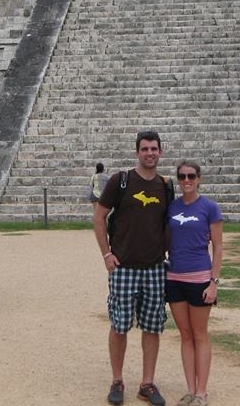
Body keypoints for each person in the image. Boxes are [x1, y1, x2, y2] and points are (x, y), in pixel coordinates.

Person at [93, 131, 172, 406]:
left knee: (152, 327)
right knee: (119, 325)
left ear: (161, 152)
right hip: (124, 266)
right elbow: (99, 217)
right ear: (137, 152)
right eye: (145, 149)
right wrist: (106, 254)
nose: (150, 153)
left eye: (154, 149)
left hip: (154, 267)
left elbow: (169, 223)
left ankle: (147, 383)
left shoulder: (165, 186)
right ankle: (117, 380)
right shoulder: (121, 180)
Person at [166, 161, 223, 406]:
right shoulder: (171, 207)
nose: (186, 180)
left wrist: (214, 282)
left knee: (200, 334)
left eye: (191, 176)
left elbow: (218, 246)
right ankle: (190, 389)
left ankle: (202, 392)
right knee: (185, 334)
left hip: (199, 277)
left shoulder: (209, 207)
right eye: (182, 176)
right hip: (174, 277)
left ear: (199, 178)